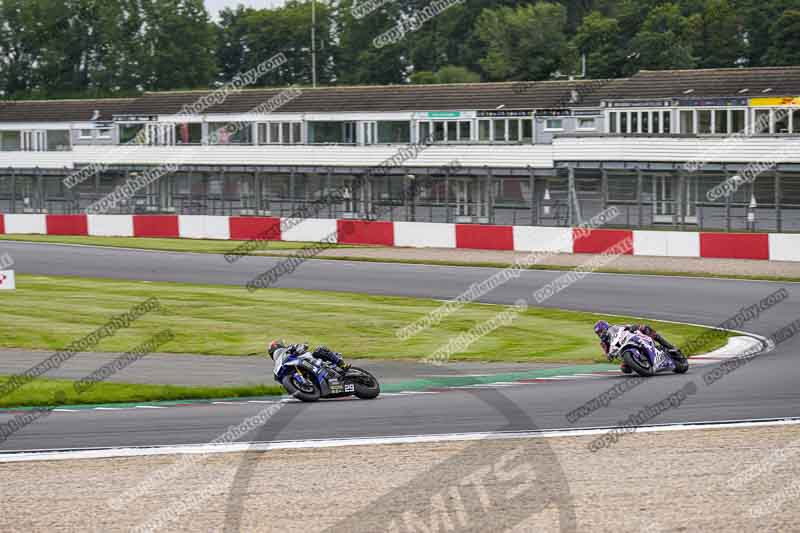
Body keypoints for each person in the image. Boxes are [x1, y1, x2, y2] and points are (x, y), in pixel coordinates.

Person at [593, 320, 683, 373]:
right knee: (624, 369)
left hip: (632, 339)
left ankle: (669, 346)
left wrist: (632, 327)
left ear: (605, 328)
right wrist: (609, 355)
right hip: (623, 351)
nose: (600, 334)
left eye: (601, 331)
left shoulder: (614, 328)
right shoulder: (603, 343)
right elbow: (608, 354)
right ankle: (642, 363)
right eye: (598, 333)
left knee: (645, 328)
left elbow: (625, 327)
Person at [268, 339, 350, 371]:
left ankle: (342, 365)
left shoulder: (289, 348)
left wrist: (299, 348)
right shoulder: (281, 363)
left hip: (312, 360)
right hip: (305, 368)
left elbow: (302, 346)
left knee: (320, 349)